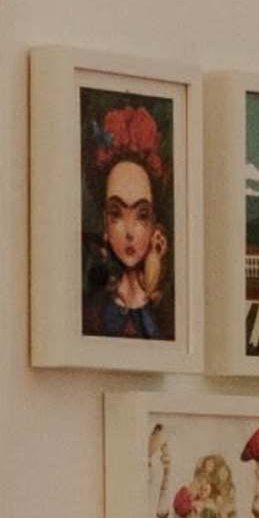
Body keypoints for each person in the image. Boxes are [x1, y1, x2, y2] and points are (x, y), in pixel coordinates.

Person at [87, 102, 173, 342]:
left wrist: (154, 260)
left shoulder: (165, 313)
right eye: (117, 213)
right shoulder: (94, 310)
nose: (129, 232)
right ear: (104, 224)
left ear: (155, 224)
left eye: (142, 215)